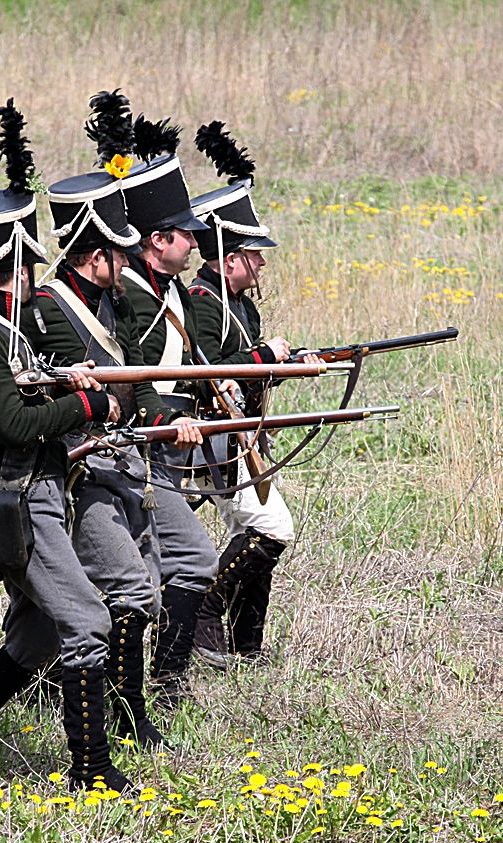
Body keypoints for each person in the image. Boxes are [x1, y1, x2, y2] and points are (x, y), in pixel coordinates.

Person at [0, 100, 130, 792]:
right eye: (30, 263)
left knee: (38, 638)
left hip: (42, 493)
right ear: (18, 263)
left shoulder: (9, 332)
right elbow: (12, 421)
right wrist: (89, 404)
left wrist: (67, 381)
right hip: (15, 502)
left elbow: (29, 397)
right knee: (88, 621)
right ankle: (91, 772)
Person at [22, 90, 204, 742]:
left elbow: (136, 381)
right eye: (118, 252)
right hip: (74, 473)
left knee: (138, 588)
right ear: (95, 254)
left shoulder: (111, 302)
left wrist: (162, 418)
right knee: (127, 591)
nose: (126, 263)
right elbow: (33, 396)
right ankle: (123, 724)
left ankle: (119, 713)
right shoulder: (45, 309)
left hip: (121, 461)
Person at [187, 121, 298, 668]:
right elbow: (205, 372)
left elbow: (247, 369)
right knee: (273, 529)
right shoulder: (202, 301)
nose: (261, 262)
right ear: (228, 256)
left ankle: (246, 646)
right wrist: (264, 359)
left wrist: (291, 365)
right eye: (253, 254)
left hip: (241, 437)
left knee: (252, 531)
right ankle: (203, 614)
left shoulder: (241, 305)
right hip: (213, 440)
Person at [119, 114, 222, 704]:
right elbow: (131, 378)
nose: (195, 243)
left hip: (169, 442)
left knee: (160, 568)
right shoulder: (128, 295)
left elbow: (201, 360)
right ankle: (157, 685)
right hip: (140, 443)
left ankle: (155, 682)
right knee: (180, 564)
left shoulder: (173, 290)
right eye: (186, 234)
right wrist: (162, 421)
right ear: (158, 240)